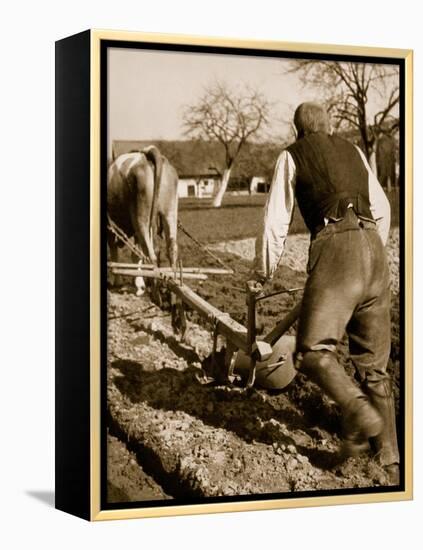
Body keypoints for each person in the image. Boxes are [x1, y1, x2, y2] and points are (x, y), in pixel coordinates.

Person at [251, 102, 399, 484]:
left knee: (313, 352)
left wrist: (263, 274)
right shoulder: (353, 150)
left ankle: (359, 411)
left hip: (336, 248)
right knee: (375, 368)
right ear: (329, 126)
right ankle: (390, 461)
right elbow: (381, 207)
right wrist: (370, 252)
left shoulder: (292, 154)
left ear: (298, 129)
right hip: (376, 253)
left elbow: (275, 219)